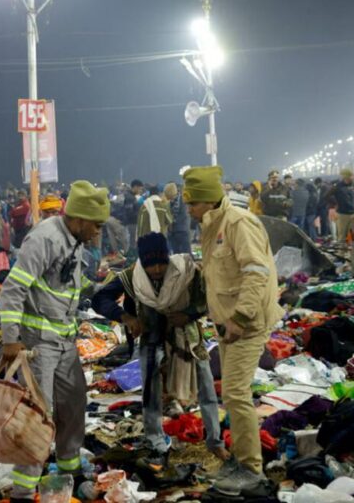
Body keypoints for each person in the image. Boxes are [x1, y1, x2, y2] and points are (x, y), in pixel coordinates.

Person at [0, 180, 108, 502]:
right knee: (37, 417)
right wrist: (10, 341)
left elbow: (67, 285)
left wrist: (103, 289)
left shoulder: (75, 241)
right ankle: (23, 490)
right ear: (79, 219)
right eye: (97, 225)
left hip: (64, 339)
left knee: (74, 403)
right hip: (38, 345)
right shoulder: (44, 238)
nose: (99, 232)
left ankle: (68, 467)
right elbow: (13, 290)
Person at [182, 166, 284, 495]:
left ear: (208, 201)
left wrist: (240, 317)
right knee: (232, 392)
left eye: (192, 204)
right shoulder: (214, 226)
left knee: (236, 394)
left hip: (247, 322)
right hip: (229, 323)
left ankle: (250, 471)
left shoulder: (238, 223)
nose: (189, 210)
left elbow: (257, 273)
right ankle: (241, 460)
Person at [91, 232, 228, 469]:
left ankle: (214, 441)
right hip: (151, 340)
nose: (156, 269)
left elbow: (209, 298)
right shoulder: (132, 276)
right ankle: (156, 443)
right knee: (151, 394)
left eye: (161, 263)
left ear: (168, 257)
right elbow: (100, 299)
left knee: (206, 387)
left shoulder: (186, 271)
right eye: (150, 264)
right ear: (142, 262)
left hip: (188, 339)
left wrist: (188, 315)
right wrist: (126, 317)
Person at [332, 169, 354, 244]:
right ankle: (341, 254)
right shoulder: (338, 186)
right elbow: (327, 196)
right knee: (342, 237)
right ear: (347, 177)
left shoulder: (353, 185)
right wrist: (335, 204)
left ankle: (353, 253)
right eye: (352, 176)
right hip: (342, 214)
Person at [165, 182, 191, 254]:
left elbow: (184, 215)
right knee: (176, 255)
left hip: (182, 231)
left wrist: (171, 221)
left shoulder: (183, 200)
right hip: (172, 232)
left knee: (186, 254)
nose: (169, 199)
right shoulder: (170, 202)